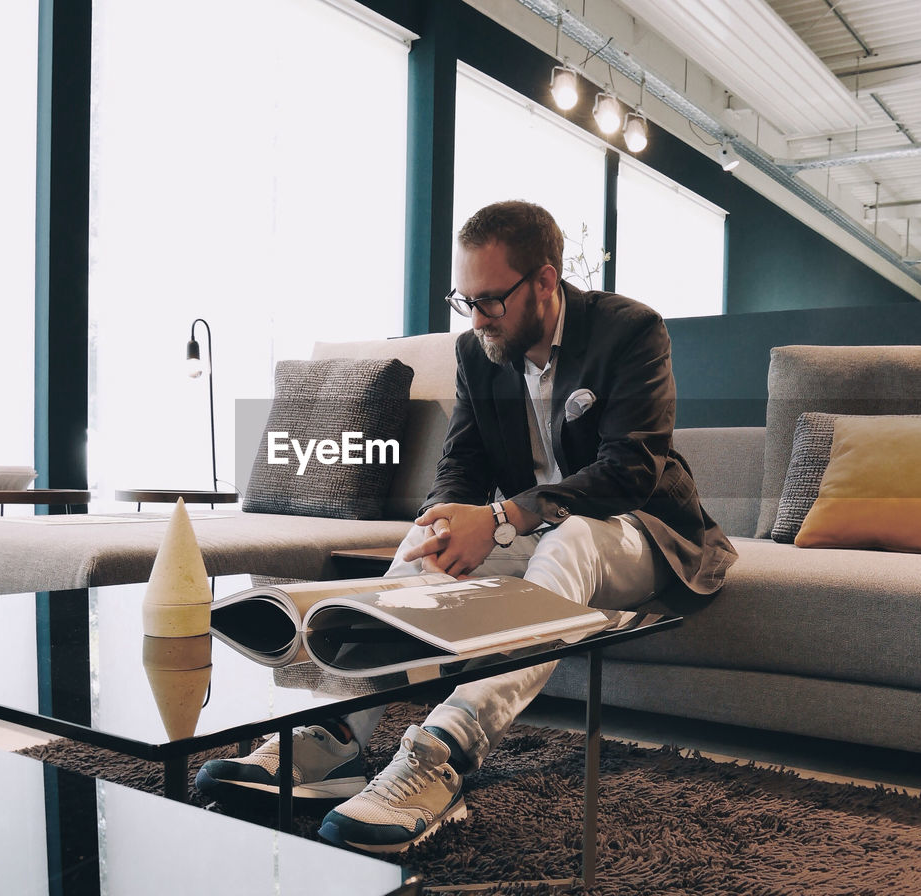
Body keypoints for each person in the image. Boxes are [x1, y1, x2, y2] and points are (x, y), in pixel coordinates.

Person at [197, 199, 737, 853]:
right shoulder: (477, 351)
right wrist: (445, 518)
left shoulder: (629, 332)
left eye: (490, 301)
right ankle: (338, 738)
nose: (477, 318)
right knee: (425, 540)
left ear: (544, 281)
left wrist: (502, 517)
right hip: (541, 527)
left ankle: (441, 756)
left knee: (571, 536)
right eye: (465, 301)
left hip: (643, 531)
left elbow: (630, 472)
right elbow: (462, 465)